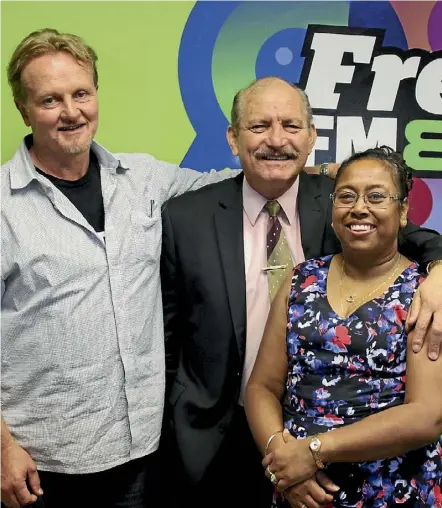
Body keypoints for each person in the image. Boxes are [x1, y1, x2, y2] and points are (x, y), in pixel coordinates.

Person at [159, 77, 442, 508]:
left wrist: (441, 271)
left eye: (291, 126)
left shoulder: (344, 200)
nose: (277, 140)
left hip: (344, 451)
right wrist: (281, 457)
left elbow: (415, 237)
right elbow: (167, 334)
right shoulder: (185, 217)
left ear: (311, 138)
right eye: (259, 127)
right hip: (213, 434)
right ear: (233, 139)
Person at [0, 27, 251, 508]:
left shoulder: (144, 180)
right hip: (40, 468)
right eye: (51, 100)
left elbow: (238, 186)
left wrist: (329, 181)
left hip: (140, 456)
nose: (71, 112)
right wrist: (3, 448)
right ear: (23, 109)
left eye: (81, 93)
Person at [245, 146, 442, 507]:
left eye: (376, 196)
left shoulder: (426, 295)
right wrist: (283, 460)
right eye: (346, 196)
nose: (359, 208)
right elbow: (261, 386)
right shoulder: (300, 280)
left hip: (391, 491)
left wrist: (314, 452)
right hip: (300, 491)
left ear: (402, 212)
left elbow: (426, 415)